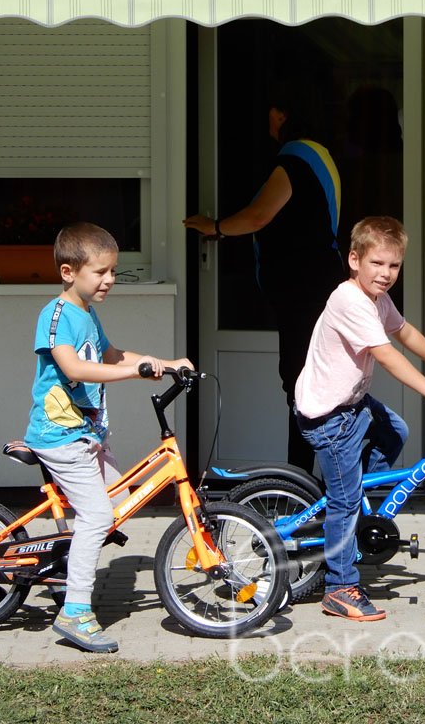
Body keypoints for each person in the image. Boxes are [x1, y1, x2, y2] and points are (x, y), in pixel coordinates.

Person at [25, 222, 192, 653]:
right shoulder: (57, 315)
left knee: (117, 503)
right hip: (61, 436)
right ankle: (75, 612)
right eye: (100, 272)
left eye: (113, 271)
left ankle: (66, 566)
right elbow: (76, 369)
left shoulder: (87, 315)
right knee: (98, 517)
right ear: (68, 272)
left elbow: (113, 355)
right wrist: (129, 373)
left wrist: (167, 362)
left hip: (88, 435)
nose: (109, 280)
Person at [294, 216, 425, 621]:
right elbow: (386, 355)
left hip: (353, 405)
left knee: (395, 431)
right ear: (355, 259)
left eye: (394, 266)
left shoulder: (376, 299)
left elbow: (403, 332)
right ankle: (339, 587)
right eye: (377, 264)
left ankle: (362, 511)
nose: (386, 274)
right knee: (344, 498)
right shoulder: (349, 300)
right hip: (329, 417)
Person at [184, 83, 344, 473]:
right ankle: (311, 478)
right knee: (312, 382)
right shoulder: (321, 155)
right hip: (318, 287)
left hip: (305, 294)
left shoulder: (293, 161)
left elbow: (258, 215)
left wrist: (215, 227)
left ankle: (302, 479)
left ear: (284, 114)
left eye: (272, 110)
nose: (267, 118)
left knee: (301, 384)